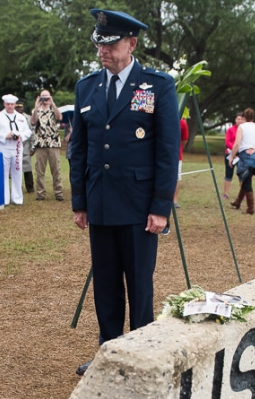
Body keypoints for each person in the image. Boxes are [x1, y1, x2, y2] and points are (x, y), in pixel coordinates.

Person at [70, 9, 180, 376]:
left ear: (131, 43)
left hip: (138, 205)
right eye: (99, 44)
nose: (103, 51)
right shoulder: (87, 87)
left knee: (139, 284)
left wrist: (161, 206)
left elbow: (167, 150)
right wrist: (80, 202)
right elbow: (80, 151)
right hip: (100, 201)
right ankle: (110, 353)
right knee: (105, 284)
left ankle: (142, 356)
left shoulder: (157, 86)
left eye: (111, 43)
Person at [0, 94, 32, 206]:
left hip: (17, 148)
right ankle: (5, 198)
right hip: (4, 147)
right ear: (4, 104)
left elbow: (28, 132)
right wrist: (5, 135)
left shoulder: (20, 117)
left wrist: (20, 136)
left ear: (15, 104)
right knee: (3, 173)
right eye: (8, 104)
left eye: (12, 104)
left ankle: (17, 198)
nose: (10, 106)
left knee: (17, 173)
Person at [230, 108, 255, 214]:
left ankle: (251, 207)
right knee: (247, 179)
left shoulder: (242, 127)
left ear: (243, 117)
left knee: (246, 181)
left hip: (245, 156)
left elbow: (237, 143)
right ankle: (238, 201)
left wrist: (232, 156)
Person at [31, 90, 64, 201]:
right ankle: (40, 193)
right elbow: (33, 122)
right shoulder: (37, 110)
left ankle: (58, 192)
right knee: (40, 170)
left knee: (56, 169)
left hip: (53, 142)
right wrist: (36, 107)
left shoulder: (53, 109)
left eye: (46, 96)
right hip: (41, 143)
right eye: (42, 96)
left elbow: (59, 118)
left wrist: (52, 103)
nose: (44, 98)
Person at [223, 112, 245, 200]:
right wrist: (234, 151)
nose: (239, 121)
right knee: (228, 173)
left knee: (242, 175)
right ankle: (225, 193)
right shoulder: (230, 130)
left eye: (241, 119)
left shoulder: (245, 130)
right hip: (230, 154)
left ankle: (242, 193)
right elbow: (227, 142)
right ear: (235, 120)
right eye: (238, 119)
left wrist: (239, 151)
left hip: (241, 155)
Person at [15, 101, 35, 193]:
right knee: (15, 168)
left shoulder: (28, 118)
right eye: (17, 107)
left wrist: (32, 147)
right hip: (14, 146)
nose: (19, 109)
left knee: (27, 168)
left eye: (20, 107)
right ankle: (17, 187)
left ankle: (30, 187)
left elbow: (32, 133)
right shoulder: (12, 117)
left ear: (23, 107)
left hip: (26, 145)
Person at [173, 117, 189, 208]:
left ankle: (175, 200)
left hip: (176, 155)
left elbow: (184, 140)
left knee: (176, 178)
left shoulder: (182, 122)